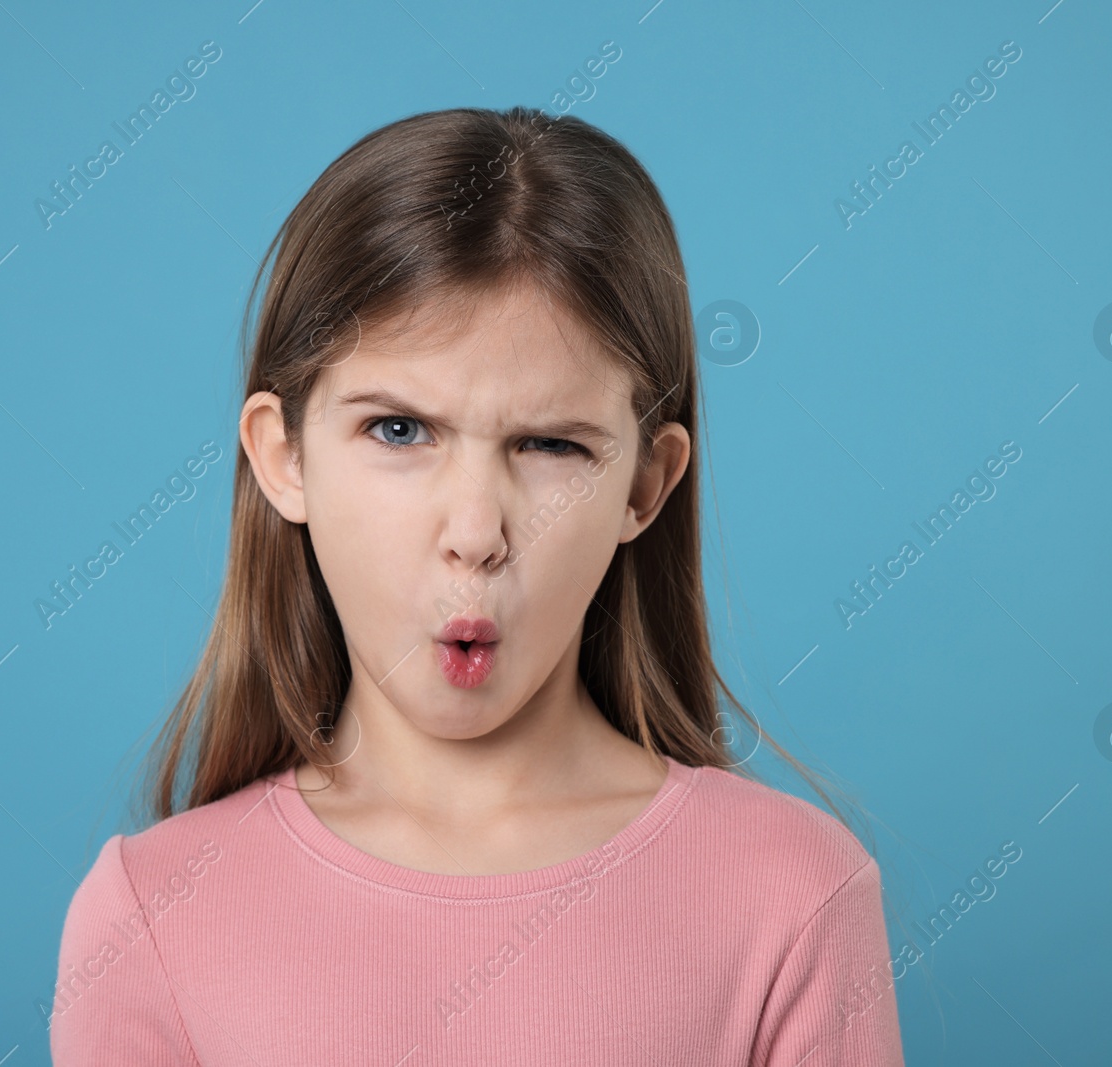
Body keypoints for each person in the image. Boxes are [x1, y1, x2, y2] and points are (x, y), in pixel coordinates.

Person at [49, 105, 906, 1066]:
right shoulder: (150, 918)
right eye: (399, 431)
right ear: (283, 458)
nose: (476, 534)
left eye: (549, 444)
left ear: (645, 484)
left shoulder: (793, 893)